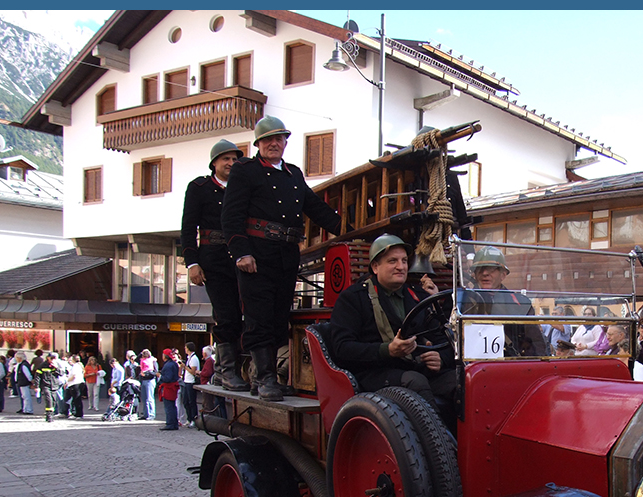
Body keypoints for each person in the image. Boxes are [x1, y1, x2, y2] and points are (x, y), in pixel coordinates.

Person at [222, 116, 342, 401]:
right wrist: (241, 252)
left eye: (279, 139)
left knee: (278, 318)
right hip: (256, 253)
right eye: (268, 140)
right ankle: (264, 379)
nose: (274, 143)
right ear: (259, 144)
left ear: (286, 142)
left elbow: (314, 207)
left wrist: (345, 228)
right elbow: (231, 214)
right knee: (258, 317)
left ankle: (267, 377)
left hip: (286, 255)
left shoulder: (294, 174)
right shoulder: (244, 170)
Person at [330, 234, 456, 411]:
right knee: (415, 381)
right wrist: (387, 350)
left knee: (465, 380)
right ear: (375, 267)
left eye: (404, 261)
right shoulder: (353, 298)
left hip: (418, 370)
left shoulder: (418, 296)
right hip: (375, 374)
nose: (401, 267)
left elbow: (442, 337)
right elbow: (341, 348)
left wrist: (440, 358)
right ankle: (436, 438)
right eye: (393, 261)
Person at [182, 139, 250, 391]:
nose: (231, 164)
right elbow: (188, 228)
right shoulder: (199, 187)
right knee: (226, 314)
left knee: (247, 314)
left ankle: (240, 368)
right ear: (214, 163)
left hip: (241, 256)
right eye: (226, 159)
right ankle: (226, 371)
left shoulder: (243, 187)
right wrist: (192, 263)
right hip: (214, 259)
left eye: (235, 159)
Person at [468, 246, 545, 356]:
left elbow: (535, 342)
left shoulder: (520, 304)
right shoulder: (462, 300)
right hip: (472, 365)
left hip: (509, 365)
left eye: (491, 269)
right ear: (474, 274)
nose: (485, 273)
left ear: (503, 275)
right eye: (480, 269)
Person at [34, 353, 63, 423]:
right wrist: (37, 386)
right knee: (49, 400)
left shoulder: (56, 365)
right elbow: (37, 376)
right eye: (51, 358)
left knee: (53, 401)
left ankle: (51, 414)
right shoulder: (43, 365)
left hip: (54, 385)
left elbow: (61, 373)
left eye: (54, 358)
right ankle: (49, 416)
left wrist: (56, 368)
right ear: (48, 358)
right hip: (46, 385)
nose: (52, 360)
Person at [158, 349, 181, 431]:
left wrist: (159, 376)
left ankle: (170, 423)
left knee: (169, 406)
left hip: (169, 387)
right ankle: (174, 423)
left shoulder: (168, 365)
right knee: (172, 406)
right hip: (173, 386)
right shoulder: (174, 364)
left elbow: (167, 378)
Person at [181, 342, 200, 428]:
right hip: (186, 381)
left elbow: (193, 371)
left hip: (191, 382)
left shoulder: (194, 359)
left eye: (185, 348)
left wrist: (185, 367)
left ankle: (194, 419)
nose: (185, 349)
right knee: (185, 401)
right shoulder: (189, 358)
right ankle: (189, 418)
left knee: (192, 401)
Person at [138, 349, 158, 420]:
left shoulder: (153, 361)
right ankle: (146, 413)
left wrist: (147, 373)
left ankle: (151, 414)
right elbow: (138, 359)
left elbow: (156, 372)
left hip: (150, 380)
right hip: (143, 380)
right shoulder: (142, 360)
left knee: (150, 398)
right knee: (144, 398)